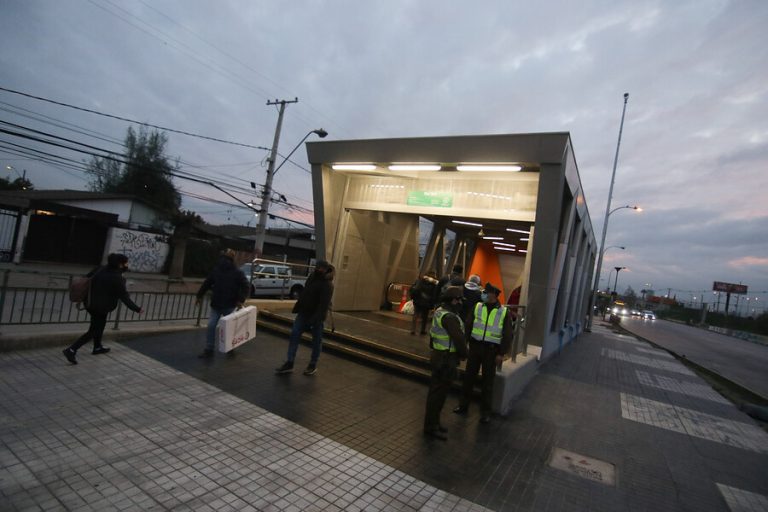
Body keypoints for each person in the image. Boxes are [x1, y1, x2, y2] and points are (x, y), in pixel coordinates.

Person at [62, 253, 143, 364]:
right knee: (94, 330)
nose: (127, 265)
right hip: (101, 307)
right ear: (120, 265)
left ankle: (97, 347)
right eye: (125, 263)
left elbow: (87, 277)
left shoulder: (100, 269)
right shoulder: (117, 278)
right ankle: (71, 349)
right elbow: (124, 297)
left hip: (90, 303)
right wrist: (137, 309)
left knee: (100, 325)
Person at [453, 282, 514, 423]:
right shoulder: (478, 307)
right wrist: (465, 344)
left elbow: (507, 334)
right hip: (475, 347)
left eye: (486, 292)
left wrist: (501, 353)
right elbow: (468, 326)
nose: (483, 294)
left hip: (491, 351)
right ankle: (463, 405)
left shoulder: (503, 312)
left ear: (493, 294)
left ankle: (485, 412)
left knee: (487, 382)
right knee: (469, 377)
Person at [275, 260, 335, 376]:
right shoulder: (312, 277)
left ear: (325, 269)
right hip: (303, 312)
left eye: (320, 267)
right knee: (294, 334)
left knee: (316, 341)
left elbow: (323, 305)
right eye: (317, 266)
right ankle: (290, 362)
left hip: (316, 317)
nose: (317, 269)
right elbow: (306, 292)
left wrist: (315, 319)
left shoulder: (327, 284)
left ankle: (312, 364)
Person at [423, 286, 468, 440]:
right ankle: (430, 427)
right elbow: (459, 339)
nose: (461, 303)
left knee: (438, 393)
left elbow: (433, 336)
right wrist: (464, 354)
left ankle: (434, 423)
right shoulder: (449, 317)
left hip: (439, 356)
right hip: (445, 359)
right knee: (437, 394)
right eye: (460, 300)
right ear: (454, 300)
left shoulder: (440, 311)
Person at [195, 249, 249, 359]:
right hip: (229, 304)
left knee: (211, 326)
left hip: (217, 303)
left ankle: (209, 349)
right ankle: (229, 348)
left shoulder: (217, 270)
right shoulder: (237, 272)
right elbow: (245, 286)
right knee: (228, 328)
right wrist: (240, 300)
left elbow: (207, 283)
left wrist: (199, 296)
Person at [409, 270, 438, 335]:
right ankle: (422, 330)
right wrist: (433, 303)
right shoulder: (434, 283)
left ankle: (413, 330)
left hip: (418, 300)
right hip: (427, 302)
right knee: (425, 316)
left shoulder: (420, 280)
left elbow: (415, 289)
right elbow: (434, 294)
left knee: (416, 314)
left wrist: (413, 297)